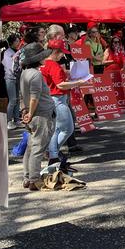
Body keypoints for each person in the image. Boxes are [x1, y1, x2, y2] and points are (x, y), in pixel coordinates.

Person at [40, 39, 86, 167]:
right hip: (57, 99)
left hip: (49, 98)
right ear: (55, 51)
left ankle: (52, 154)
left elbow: (54, 78)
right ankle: (52, 154)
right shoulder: (53, 65)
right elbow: (60, 84)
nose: (62, 55)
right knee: (66, 128)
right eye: (61, 53)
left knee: (58, 128)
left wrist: (66, 74)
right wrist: (78, 83)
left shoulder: (43, 63)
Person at [19, 42, 56, 191]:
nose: (45, 58)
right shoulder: (36, 74)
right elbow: (34, 97)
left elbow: (23, 96)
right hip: (40, 114)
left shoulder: (24, 73)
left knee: (30, 147)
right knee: (38, 148)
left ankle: (27, 177)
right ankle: (34, 179)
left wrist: (25, 112)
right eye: (42, 56)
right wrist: (30, 113)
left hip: (33, 113)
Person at [2, 34, 22, 129]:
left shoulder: (17, 51)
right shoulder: (7, 52)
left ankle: (17, 119)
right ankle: (9, 120)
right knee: (12, 99)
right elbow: (10, 67)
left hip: (18, 77)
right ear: (12, 42)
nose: (18, 43)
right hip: (10, 78)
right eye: (17, 41)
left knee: (17, 99)